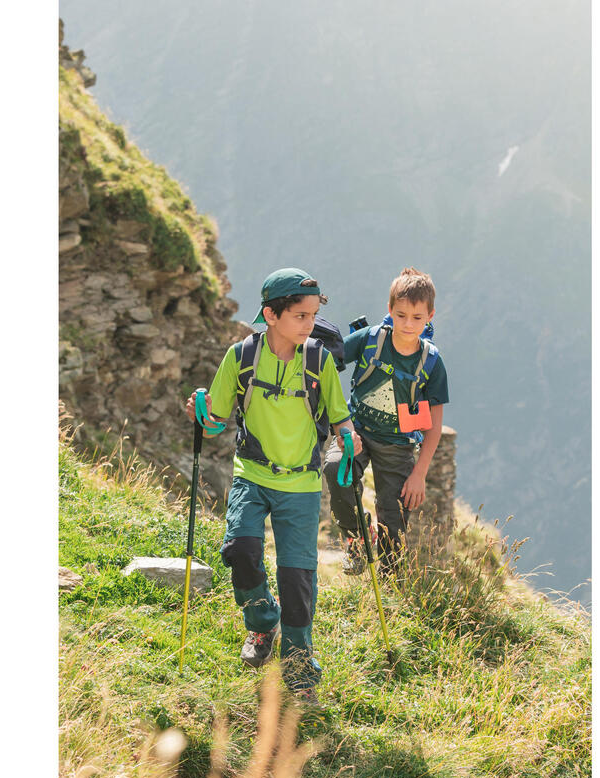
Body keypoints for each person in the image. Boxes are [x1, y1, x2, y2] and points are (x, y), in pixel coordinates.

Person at [186, 267, 360, 704]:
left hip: (301, 483)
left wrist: (348, 439)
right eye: (300, 315)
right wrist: (201, 414)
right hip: (253, 473)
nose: (309, 324)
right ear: (271, 314)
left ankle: (300, 666)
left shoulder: (319, 360)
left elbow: (339, 417)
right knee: (240, 551)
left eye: (313, 315)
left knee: (297, 578)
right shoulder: (242, 356)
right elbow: (214, 425)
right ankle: (263, 622)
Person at [323, 267, 449, 575]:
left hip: (398, 447)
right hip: (357, 432)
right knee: (334, 470)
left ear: (430, 316)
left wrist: (420, 473)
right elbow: (326, 364)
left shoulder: (431, 362)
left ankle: (390, 589)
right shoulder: (369, 340)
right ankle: (358, 539)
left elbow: (433, 426)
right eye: (401, 314)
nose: (408, 324)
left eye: (417, 317)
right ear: (389, 309)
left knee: (394, 521)